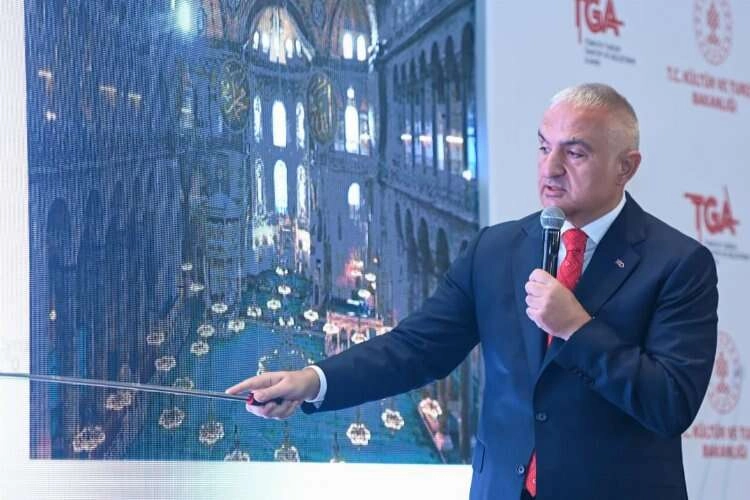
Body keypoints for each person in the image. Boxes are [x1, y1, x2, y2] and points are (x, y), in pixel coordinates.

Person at [226, 83, 718, 500]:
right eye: (543, 147)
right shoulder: (497, 249)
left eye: (575, 153)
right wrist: (313, 380)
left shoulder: (677, 263)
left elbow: (671, 402)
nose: (550, 168)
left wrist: (577, 328)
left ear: (626, 167)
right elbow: (417, 348)